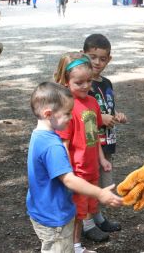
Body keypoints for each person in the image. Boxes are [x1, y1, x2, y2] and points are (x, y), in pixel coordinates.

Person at [27, 81, 122, 253]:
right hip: (54, 216)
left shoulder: (38, 136)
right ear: (48, 114)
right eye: (67, 114)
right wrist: (100, 193)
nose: (72, 117)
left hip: (42, 209)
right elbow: (69, 180)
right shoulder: (53, 147)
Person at [54, 52, 115, 250]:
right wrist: (67, 171)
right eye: (79, 82)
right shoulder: (67, 108)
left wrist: (101, 158)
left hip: (91, 168)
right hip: (77, 171)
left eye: (88, 81)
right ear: (65, 82)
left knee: (89, 205)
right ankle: (75, 245)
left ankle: (76, 243)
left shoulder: (92, 102)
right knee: (77, 212)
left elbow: (94, 133)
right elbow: (63, 143)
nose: (86, 86)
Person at [83, 34, 127, 234]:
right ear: (84, 54)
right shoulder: (82, 82)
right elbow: (82, 113)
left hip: (107, 142)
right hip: (90, 143)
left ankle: (98, 216)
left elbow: (107, 107)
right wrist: (101, 119)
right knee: (89, 181)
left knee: (103, 182)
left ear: (109, 59)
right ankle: (86, 223)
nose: (97, 62)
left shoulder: (107, 83)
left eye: (102, 58)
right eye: (93, 57)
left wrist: (116, 116)